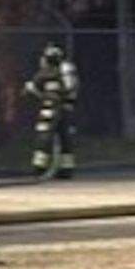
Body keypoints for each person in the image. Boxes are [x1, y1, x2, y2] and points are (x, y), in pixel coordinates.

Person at [24, 41, 79, 180]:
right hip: (67, 109)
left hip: (50, 109)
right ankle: (66, 170)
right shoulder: (67, 73)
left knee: (44, 136)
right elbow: (73, 90)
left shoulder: (44, 73)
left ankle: (38, 168)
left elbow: (33, 89)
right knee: (65, 138)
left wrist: (29, 89)